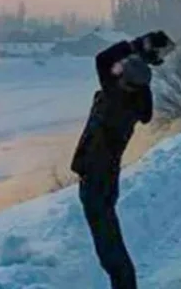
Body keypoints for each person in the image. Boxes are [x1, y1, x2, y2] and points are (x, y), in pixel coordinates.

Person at [70, 30, 175, 289]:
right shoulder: (137, 98)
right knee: (110, 244)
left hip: (97, 178)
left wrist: (135, 46)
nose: (116, 72)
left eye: (121, 72)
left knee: (109, 248)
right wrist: (141, 56)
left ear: (124, 81)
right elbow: (118, 71)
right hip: (106, 176)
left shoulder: (117, 98)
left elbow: (103, 59)